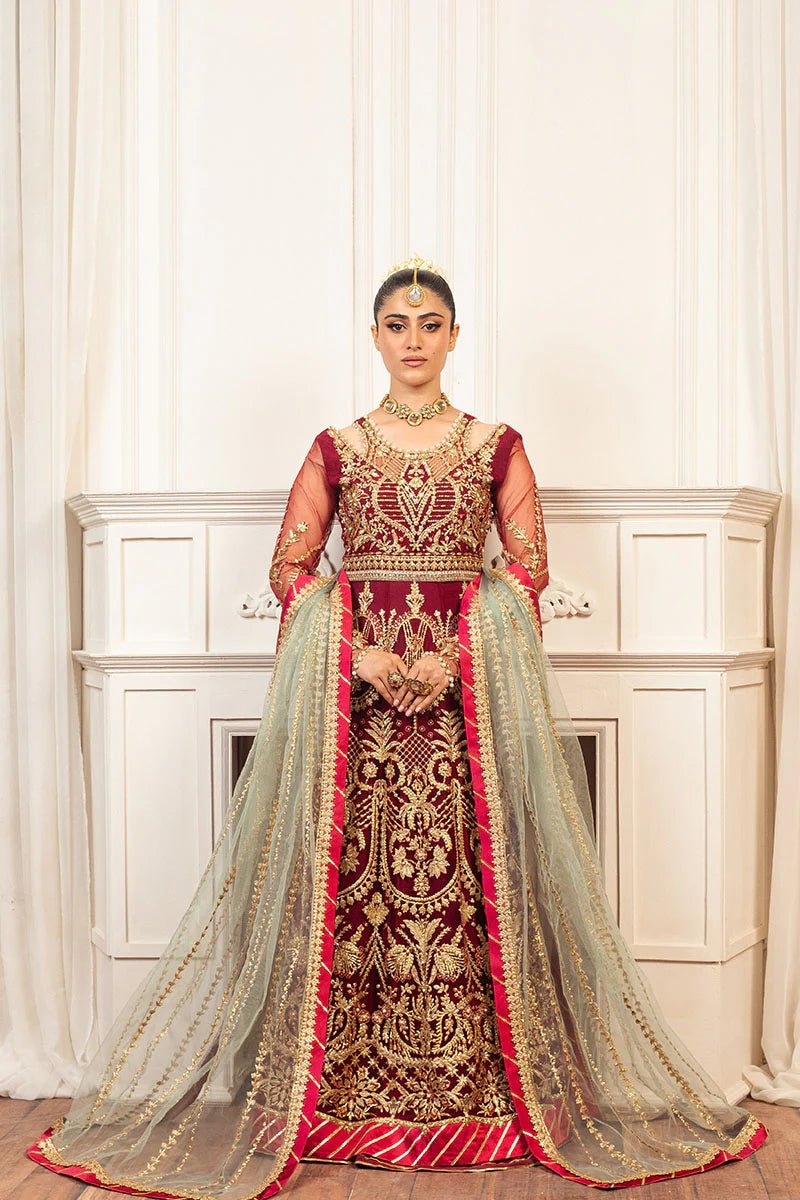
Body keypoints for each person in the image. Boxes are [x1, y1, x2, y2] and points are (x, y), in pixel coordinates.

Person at [27, 256, 767, 1196]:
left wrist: (460, 657)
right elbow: (291, 570)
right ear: (373, 336)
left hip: (466, 711)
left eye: (430, 324)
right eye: (395, 323)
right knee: (355, 884)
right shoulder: (338, 447)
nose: (413, 340)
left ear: (455, 337)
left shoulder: (495, 444)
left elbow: (527, 569)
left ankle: (489, 1098)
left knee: (469, 881)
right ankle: (340, 1095)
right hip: (359, 716)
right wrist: (364, 656)